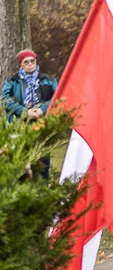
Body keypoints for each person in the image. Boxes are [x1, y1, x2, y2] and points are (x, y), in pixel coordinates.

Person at [2, 50, 58, 179]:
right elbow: (5, 99)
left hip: (41, 125)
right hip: (20, 126)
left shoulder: (48, 80)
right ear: (21, 65)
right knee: (21, 162)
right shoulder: (12, 81)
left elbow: (57, 97)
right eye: (26, 62)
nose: (30, 64)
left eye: (32, 61)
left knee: (42, 162)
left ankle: (42, 193)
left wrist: (42, 109)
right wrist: (24, 112)